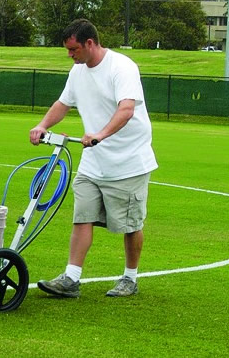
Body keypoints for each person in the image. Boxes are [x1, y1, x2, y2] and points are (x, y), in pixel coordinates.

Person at [29, 19, 157, 298]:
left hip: (128, 161)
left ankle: (130, 278)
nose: (70, 55)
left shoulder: (122, 67)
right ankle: (71, 278)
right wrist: (43, 126)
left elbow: (126, 110)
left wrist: (100, 134)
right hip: (93, 162)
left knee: (130, 224)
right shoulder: (77, 72)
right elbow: (63, 103)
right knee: (82, 216)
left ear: (89, 43)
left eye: (73, 49)